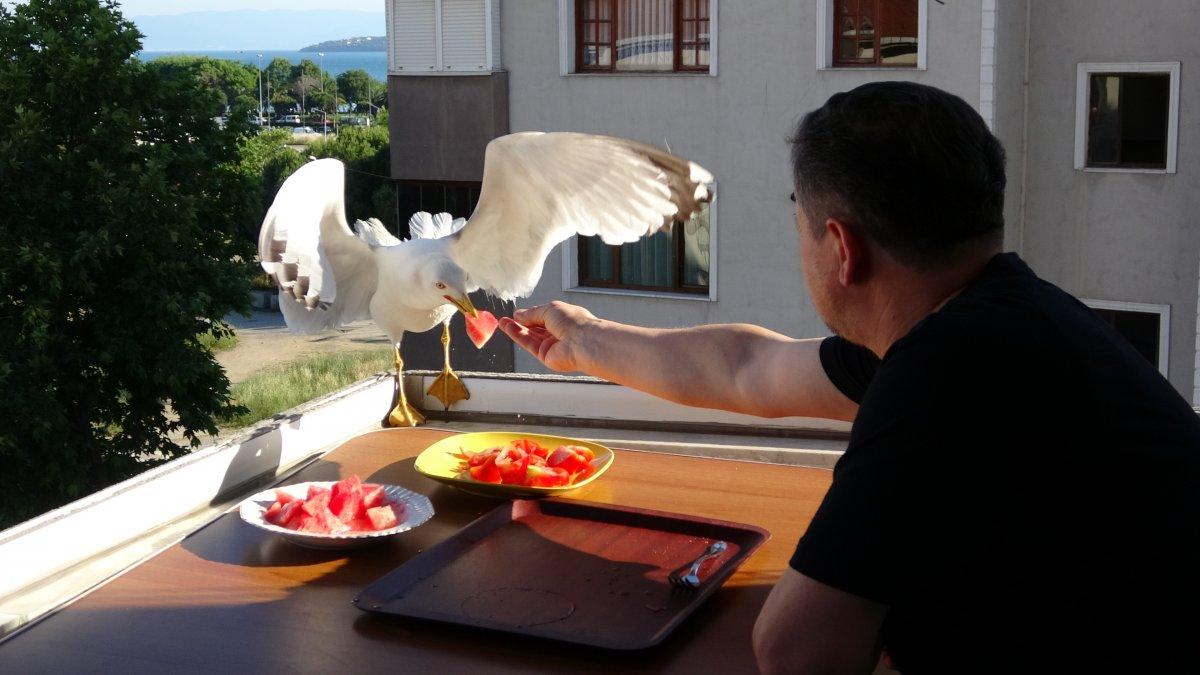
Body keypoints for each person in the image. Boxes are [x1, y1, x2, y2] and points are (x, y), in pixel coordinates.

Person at [497, 81, 1200, 674]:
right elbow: (748, 369)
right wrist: (583, 340)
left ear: (841, 246)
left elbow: (797, 651)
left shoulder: (947, 374)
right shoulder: (998, 317)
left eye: (799, 221)